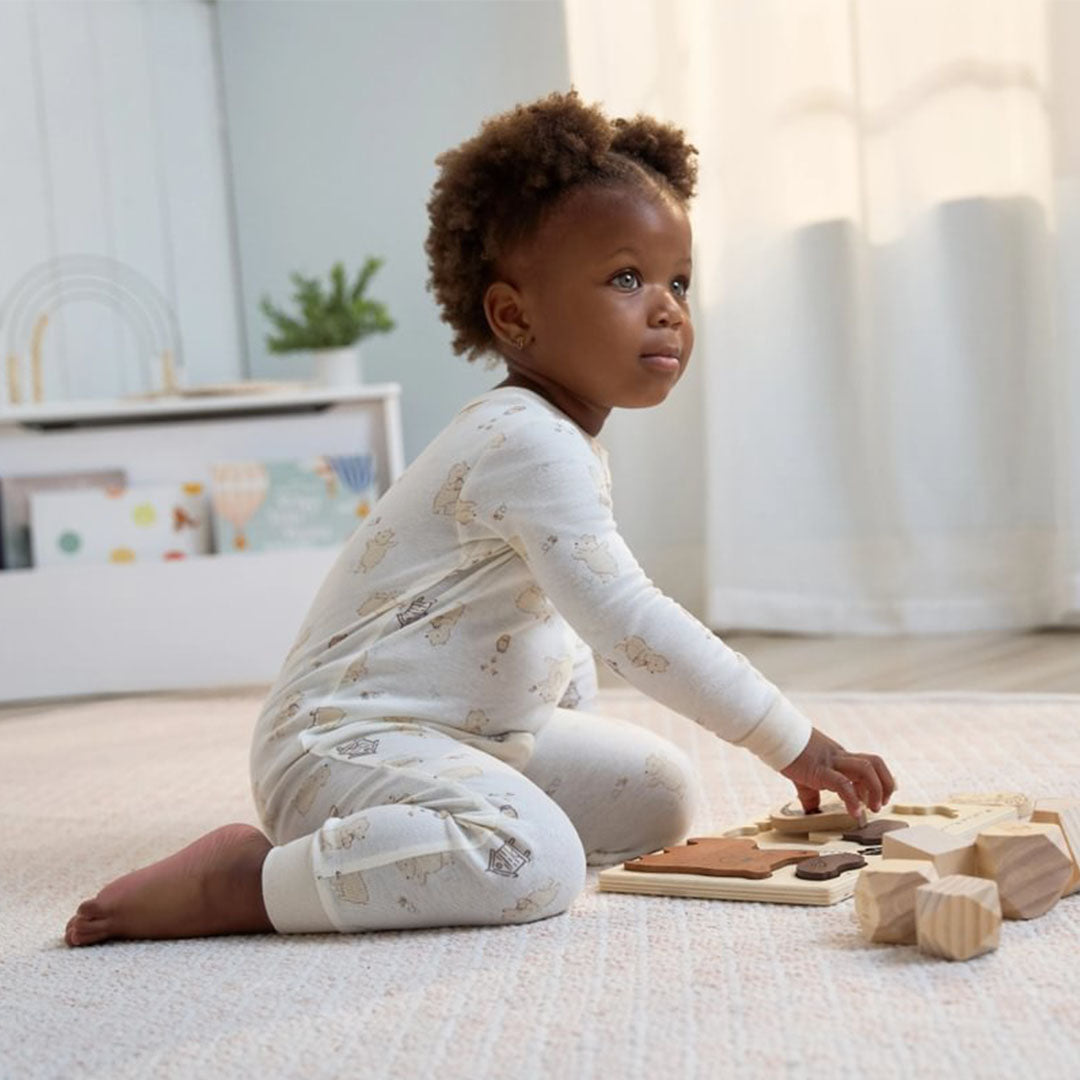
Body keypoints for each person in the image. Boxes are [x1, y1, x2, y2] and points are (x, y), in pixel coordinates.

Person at [65, 90, 894, 947]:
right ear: (513, 316)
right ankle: (246, 882)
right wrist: (792, 740)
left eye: (678, 280)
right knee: (535, 866)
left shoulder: (553, 440)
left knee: (662, 792)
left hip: (474, 736)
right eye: (626, 278)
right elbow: (624, 620)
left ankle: (406, 842)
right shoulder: (525, 444)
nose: (668, 307)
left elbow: (558, 625)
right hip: (342, 744)